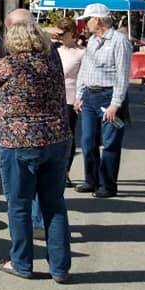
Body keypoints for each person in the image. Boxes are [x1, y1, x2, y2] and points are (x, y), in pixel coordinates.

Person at [0, 18, 72, 283]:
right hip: (56, 139)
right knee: (54, 205)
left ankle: (21, 262)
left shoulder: (7, 64)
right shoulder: (52, 64)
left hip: (19, 142)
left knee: (19, 205)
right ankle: (60, 268)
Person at [74, 3, 132, 197]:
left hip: (109, 95)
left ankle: (107, 185)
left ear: (97, 20)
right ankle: (91, 180)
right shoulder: (92, 41)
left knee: (110, 143)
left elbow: (123, 75)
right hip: (90, 96)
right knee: (88, 141)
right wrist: (79, 95)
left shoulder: (119, 41)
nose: (85, 23)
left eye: (87, 19)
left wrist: (116, 103)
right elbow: (85, 70)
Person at [55, 18, 86, 184]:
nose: (59, 37)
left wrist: (80, 97)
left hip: (71, 96)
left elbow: (83, 77)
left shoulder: (82, 53)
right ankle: (55, 169)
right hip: (53, 97)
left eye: (62, 33)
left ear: (72, 34)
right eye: (58, 33)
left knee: (68, 134)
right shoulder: (54, 51)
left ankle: (65, 171)